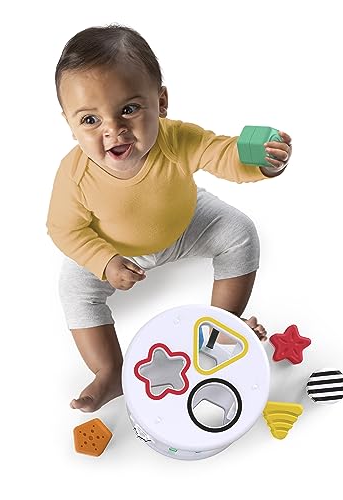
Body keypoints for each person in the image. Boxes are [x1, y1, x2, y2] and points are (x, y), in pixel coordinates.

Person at [47, 24, 292, 413]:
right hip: (114, 247)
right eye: (90, 120)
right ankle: (109, 370)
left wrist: (261, 162)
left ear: (160, 102)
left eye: (129, 109)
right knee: (75, 290)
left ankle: (220, 329)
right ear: (70, 124)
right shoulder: (74, 174)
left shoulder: (175, 138)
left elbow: (219, 152)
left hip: (185, 222)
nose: (114, 130)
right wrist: (104, 261)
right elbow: (64, 228)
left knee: (240, 232)